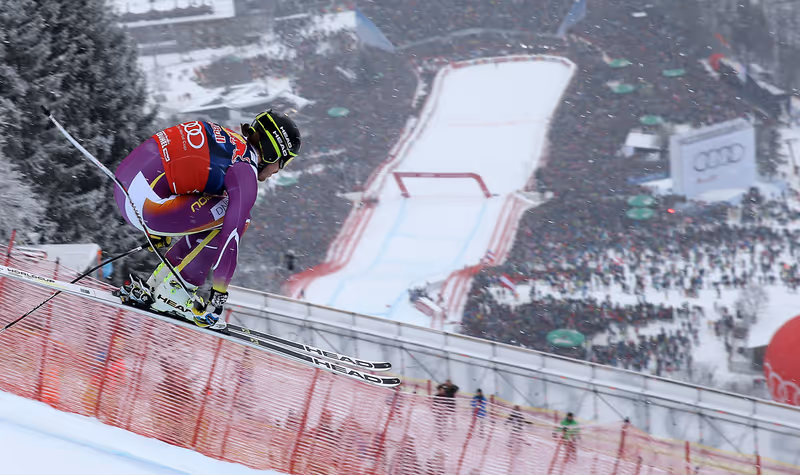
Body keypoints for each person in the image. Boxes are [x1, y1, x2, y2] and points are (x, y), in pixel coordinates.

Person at [113, 110, 302, 329]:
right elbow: (231, 236)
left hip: (124, 188)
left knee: (217, 206)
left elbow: (181, 168)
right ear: (272, 152)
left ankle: (158, 285)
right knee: (237, 217)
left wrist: (160, 229)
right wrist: (219, 293)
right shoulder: (244, 169)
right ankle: (176, 291)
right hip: (146, 206)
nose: (279, 170)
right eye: (284, 161)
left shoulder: (229, 142)